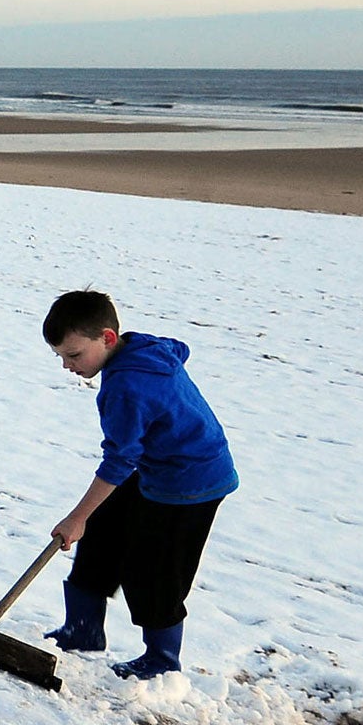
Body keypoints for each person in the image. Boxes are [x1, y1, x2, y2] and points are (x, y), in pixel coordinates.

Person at [41, 290, 238, 679]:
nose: (66, 365)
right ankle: (84, 629)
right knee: (102, 529)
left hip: (190, 482)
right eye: (61, 356)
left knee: (152, 569)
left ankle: (162, 660)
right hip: (159, 465)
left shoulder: (125, 388)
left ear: (108, 338)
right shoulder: (145, 347)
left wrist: (74, 518)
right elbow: (178, 348)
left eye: (75, 355)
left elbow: (119, 459)